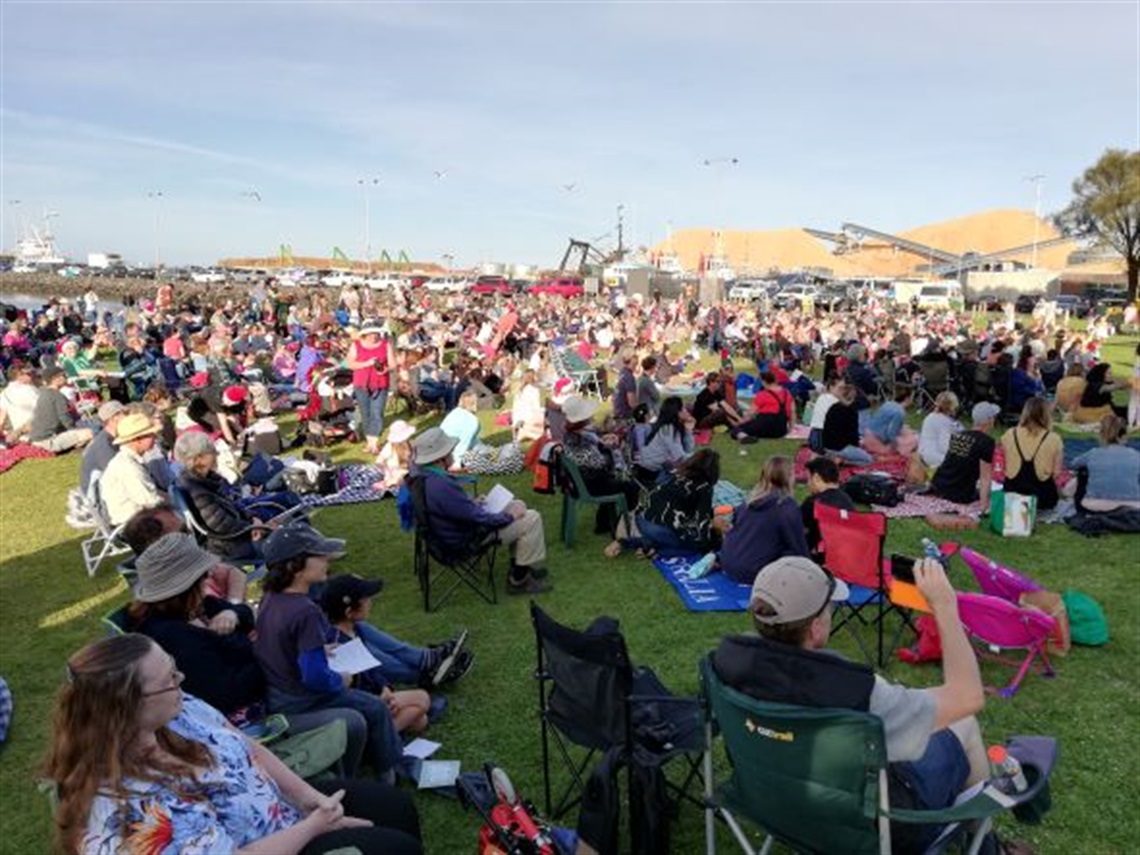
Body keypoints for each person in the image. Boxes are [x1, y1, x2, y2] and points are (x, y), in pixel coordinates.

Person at [42, 633, 422, 855]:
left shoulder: (179, 708)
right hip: (271, 844)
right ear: (126, 706)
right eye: (168, 678)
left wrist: (310, 800)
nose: (181, 677)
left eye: (173, 666)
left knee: (396, 808)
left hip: (282, 810)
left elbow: (248, 747)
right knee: (396, 848)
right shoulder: (129, 808)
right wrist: (316, 826)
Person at [713, 556, 988, 853]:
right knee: (963, 723)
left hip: (773, 805)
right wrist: (945, 606)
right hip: (874, 830)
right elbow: (967, 696)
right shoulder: (856, 692)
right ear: (816, 628)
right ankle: (984, 844)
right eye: (831, 606)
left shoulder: (728, 663)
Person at [254, 521, 404, 781]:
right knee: (375, 707)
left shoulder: (271, 597)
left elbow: (279, 644)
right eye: (319, 555)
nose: (327, 560)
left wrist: (317, 649)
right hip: (298, 700)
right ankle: (389, 775)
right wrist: (341, 680)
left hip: (277, 693)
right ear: (295, 565)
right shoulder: (305, 610)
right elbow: (315, 677)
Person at [409, 427, 551, 595]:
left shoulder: (425, 478)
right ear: (441, 458)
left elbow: (454, 510)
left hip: (448, 536)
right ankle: (518, 580)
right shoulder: (441, 485)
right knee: (531, 518)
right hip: (464, 541)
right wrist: (508, 516)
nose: (453, 453)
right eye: (450, 450)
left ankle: (521, 565)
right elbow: (479, 519)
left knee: (517, 504)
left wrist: (472, 503)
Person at [607, 448, 726, 558]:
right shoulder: (703, 487)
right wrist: (707, 546)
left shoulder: (675, 474)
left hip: (642, 521)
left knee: (677, 532)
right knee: (700, 546)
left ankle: (636, 543)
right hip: (661, 530)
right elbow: (702, 522)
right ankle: (654, 551)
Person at [719, 456, 811, 585]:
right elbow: (798, 548)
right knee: (791, 555)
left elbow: (734, 527)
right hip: (753, 572)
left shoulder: (749, 500)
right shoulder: (786, 507)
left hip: (728, 562)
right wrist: (811, 569)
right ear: (789, 477)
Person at [560, 395, 642, 536]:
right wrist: (608, 449)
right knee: (631, 487)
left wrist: (602, 443)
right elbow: (598, 463)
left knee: (615, 481)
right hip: (588, 484)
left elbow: (592, 453)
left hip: (582, 481)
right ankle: (625, 525)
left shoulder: (575, 435)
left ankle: (604, 523)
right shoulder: (578, 441)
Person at [100, 412, 167, 526]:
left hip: (139, 517)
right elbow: (151, 502)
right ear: (137, 440)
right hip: (134, 524)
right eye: (151, 435)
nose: (155, 437)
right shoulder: (128, 467)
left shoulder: (127, 460)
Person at [1000, 397, 1065, 511]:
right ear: (1046, 415)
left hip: (1012, 495)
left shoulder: (1010, 434)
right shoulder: (1054, 438)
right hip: (1042, 499)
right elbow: (1056, 473)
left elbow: (1005, 463)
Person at [929, 402, 999, 507]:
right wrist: (984, 506)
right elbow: (985, 477)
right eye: (993, 417)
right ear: (989, 420)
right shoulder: (986, 442)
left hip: (939, 485)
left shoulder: (959, 435)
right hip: (959, 494)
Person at [1071, 414, 1140, 513]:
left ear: (1101, 435)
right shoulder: (1136, 455)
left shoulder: (1093, 453)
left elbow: (1074, 464)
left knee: (1082, 471)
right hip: (1133, 507)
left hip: (1093, 506)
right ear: (1124, 436)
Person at [345, 321, 393, 455]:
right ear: (365, 334)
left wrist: (385, 369)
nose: (374, 337)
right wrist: (367, 363)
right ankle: (369, 441)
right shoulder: (356, 345)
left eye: (376, 334)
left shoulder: (385, 345)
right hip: (361, 383)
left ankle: (374, 443)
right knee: (365, 413)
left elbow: (393, 364)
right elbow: (350, 364)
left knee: (377, 412)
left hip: (380, 383)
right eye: (371, 334)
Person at [800, 456, 856, 560]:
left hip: (822, 559)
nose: (808, 484)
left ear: (816, 478)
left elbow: (796, 531)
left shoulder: (813, 503)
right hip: (850, 557)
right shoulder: (846, 500)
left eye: (808, 479)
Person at [27, 366, 94, 453]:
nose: (66, 377)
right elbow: (65, 419)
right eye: (63, 375)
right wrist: (77, 430)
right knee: (91, 432)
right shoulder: (57, 396)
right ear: (55, 379)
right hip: (48, 441)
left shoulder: (44, 393)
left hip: (37, 439)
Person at [636, 395, 694, 479]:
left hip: (657, 468)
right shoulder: (667, 429)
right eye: (683, 408)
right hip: (650, 473)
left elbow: (688, 449)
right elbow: (679, 457)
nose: (687, 411)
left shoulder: (674, 427)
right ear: (677, 412)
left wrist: (688, 430)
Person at [79, 401, 126, 493]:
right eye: (125, 414)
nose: (129, 417)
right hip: (97, 495)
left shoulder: (111, 438)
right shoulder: (104, 445)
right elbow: (117, 474)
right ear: (114, 418)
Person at [734, 371, 795, 442]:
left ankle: (744, 437)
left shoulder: (762, 395)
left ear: (763, 382)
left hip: (764, 424)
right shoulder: (787, 393)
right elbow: (792, 412)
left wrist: (740, 422)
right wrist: (791, 429)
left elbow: (750, 414)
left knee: (737, 429)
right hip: (780, 429)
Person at [822, 383, 873, 465]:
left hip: (827, 446)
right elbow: (853, 437)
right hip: (841, 448)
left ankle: (834, 457)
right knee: (868, 460)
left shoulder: (833, 407)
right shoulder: (851, 412)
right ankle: (842, 461)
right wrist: (858, 445)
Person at [862, 388, 918, 457]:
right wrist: (896, 445)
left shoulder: (887, 403)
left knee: (906, 430)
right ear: (907, 399)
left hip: (867, 435)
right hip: (876, 441)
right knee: (914, 439)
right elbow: (891, 434)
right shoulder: (900, 412)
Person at [917, 391, 962, 469]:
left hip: (922, 452)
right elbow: (944, 447)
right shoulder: (945, 422)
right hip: (933, 457)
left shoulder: (930, 416)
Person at [373, 419, 416, 495]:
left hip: (399, 474)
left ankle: (390, 482)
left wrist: (386, 472)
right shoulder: (391, 446)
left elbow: (379, 462)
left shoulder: (393, 445)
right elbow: (379, 462)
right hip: (398, 474)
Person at [0, 363, 39, 441]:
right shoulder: (30, 389)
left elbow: (2, 418)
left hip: (20, 434)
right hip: (38, 430)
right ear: (20, 376)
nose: (31, 375)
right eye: (28, 374)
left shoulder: (4, 393)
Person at [612, 352, 638, 422]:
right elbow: (631, 402)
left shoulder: (622, 372)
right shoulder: (629, 377)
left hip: (617, 409)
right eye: (635, 364)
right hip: (625, 413)